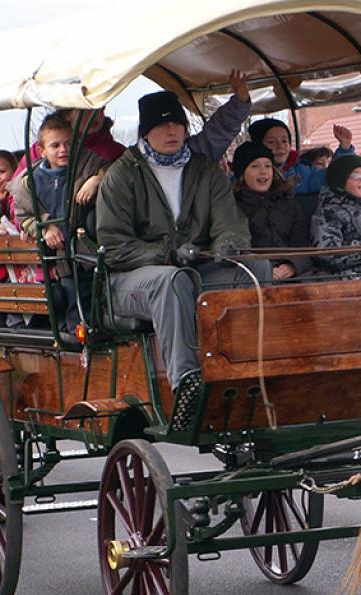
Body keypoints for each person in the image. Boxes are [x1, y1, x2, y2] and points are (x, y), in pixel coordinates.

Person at [95, 90, 270, 430]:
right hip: (128, 280)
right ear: (146, 132)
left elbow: (229, 223)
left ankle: (252, 368)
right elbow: (113, 246)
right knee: (171, 281)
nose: (171, 131)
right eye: (162, 126)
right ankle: (186, 383)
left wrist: (228, 246)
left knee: (255, 269)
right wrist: (166, 255)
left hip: (194, 269)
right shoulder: (122, 175)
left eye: (177, 124)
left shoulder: (204, 170)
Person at [14, 70, 256, 176]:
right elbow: (22, 191)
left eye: (99, 108)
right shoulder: (132, 164)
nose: (95, 116)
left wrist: (240, 101)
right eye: (86, 110)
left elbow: (217, 133)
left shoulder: (114, 153)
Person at [10, 113, 109, 332]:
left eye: (68, 143)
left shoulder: (87, 165)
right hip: (55, 255)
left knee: (86, 293)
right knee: (69, 294)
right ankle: (74, 335)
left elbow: (111, 170)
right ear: (42, 150)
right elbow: (23, 216)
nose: (63, 150)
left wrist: (97, 179)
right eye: (55, 145)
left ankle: (85, 332)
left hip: (84, 249)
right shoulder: (31, 182)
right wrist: (44, 226)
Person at [229, 141, 311, 280]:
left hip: (294, 274)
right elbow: (238, 248)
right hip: (253, 277)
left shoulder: (289, 204)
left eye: (268, 166)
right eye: (255, 166)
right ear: (242, 173)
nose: (263, 171)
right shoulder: (232, 206)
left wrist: (292, 265)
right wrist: (266, 270)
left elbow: (302, 244)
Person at [248, 119, 354, 195]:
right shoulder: (247, 174)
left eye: (284, 141)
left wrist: (344, 149)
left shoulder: (302, 173)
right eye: (271, 142)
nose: (280, 146)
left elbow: (330, 177)